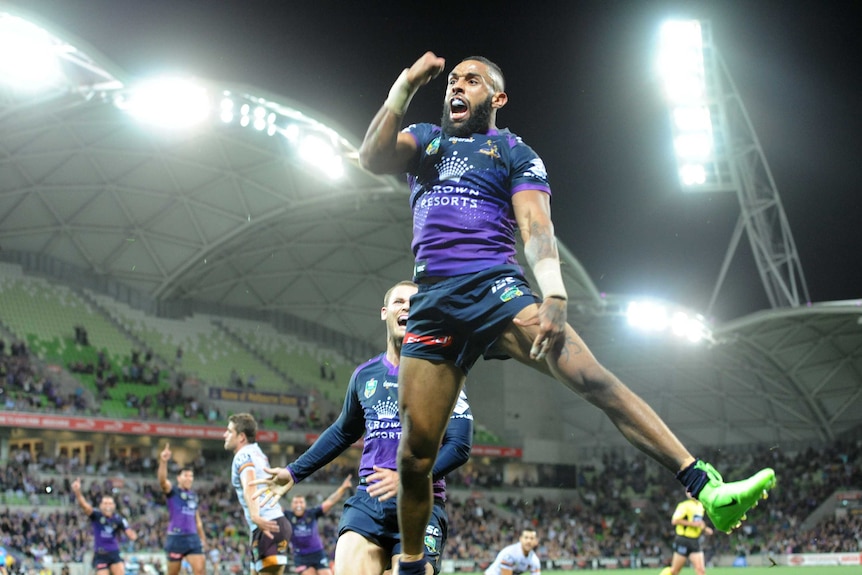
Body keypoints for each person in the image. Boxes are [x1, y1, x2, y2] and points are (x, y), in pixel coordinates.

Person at [356, 52, 777, 575]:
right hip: (433, 304)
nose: (457, 86)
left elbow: (534, 225)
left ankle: (706, 486)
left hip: (496, 291)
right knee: (415, 456)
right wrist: (405, 84)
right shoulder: (425, 140)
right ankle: (414, 566)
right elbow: (371, 157)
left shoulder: (513, 151)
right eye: (454, 80)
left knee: (593, 379)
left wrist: (552, 292)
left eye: (473, 80)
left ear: (497, 98)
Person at [252, 280, 473, 575]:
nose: (407, 307)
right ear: (384, 312)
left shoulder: (445, 373)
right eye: (399, 302)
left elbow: (459, 446)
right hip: (370, 501)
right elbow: (343, 431)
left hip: (421, 502)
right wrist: (294, 471)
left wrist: (411, 478)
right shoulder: (364, 376)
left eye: (415, 303)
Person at [223, 413, 292, 575]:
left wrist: (255, 516)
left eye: (229, 431)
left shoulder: (242, 455)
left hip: (266, 524)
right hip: (267, 524)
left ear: (241, 437)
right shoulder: (257, 452)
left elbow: (250, 484)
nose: (224, 435)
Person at [157, 442, 207, 575]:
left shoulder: (194, 496)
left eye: (191, 476)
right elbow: (162, 481)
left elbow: (198, 521)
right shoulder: (172, 491)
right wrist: (163, 461)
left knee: (201, 570)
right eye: (186, 475)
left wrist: (203, 539)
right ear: (178, 478)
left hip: (192, 538)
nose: (189, 478)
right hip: (176, 537)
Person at [71, 477, 138, 575]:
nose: (108, 506)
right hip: (101, 554)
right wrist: (77, 492)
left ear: (114, 506)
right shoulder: (96, 516)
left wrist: (132, 535)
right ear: (100, 506)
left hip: (114, 553)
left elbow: (130, 534)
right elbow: (84, 506)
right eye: (105, 503)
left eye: (110, 503)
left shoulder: (119, 519)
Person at [288, 475, 352, 575]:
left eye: (301, 502)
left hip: (317, 553)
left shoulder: (312, 513)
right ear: (292, 505)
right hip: (301, 557)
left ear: (305, 504)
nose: (298, 505)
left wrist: (342, 488)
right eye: (296, 502)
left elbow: (329, 502)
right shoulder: (287, 515)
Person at [660, 495, 713, 575]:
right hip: (683, 540)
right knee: (674, 571)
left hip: (695, 541)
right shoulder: (684, 505)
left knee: (701, 570)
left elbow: (698, 521)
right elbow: (674, 521)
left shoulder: (700, 506)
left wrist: (705, 528)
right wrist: (692, 524)